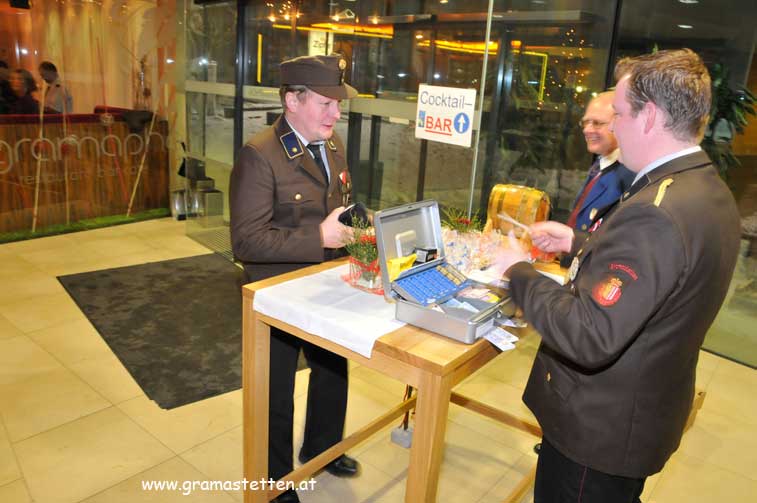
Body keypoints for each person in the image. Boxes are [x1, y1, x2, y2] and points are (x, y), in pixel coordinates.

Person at [494, 48, 740, 503]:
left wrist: (518, 272)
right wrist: (578, 243)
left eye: (621, 114)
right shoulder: (706, 190)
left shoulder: (657, 211)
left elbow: (590, 334)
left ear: (650, 117)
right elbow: (665, 271)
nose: (615, 127)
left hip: (599, 431)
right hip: (641, 411)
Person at [229, 54, 359, 503]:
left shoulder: (333, 145)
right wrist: (318, 237)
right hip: (277, 293)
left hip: (326, 284)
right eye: (325, 103)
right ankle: (273, 479)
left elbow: (339, 210)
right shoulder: (260, 155)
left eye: (337, 104)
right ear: (292, 101)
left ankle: (324, 447)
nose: (335, 114)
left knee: (332, 369)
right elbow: (246, 242)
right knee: (276, 390)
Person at [567, 91, 634, 231]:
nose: (586, 130)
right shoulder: (600, 165)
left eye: (597, 123)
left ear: (619, 124)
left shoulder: (629, 176)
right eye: (585, 122)